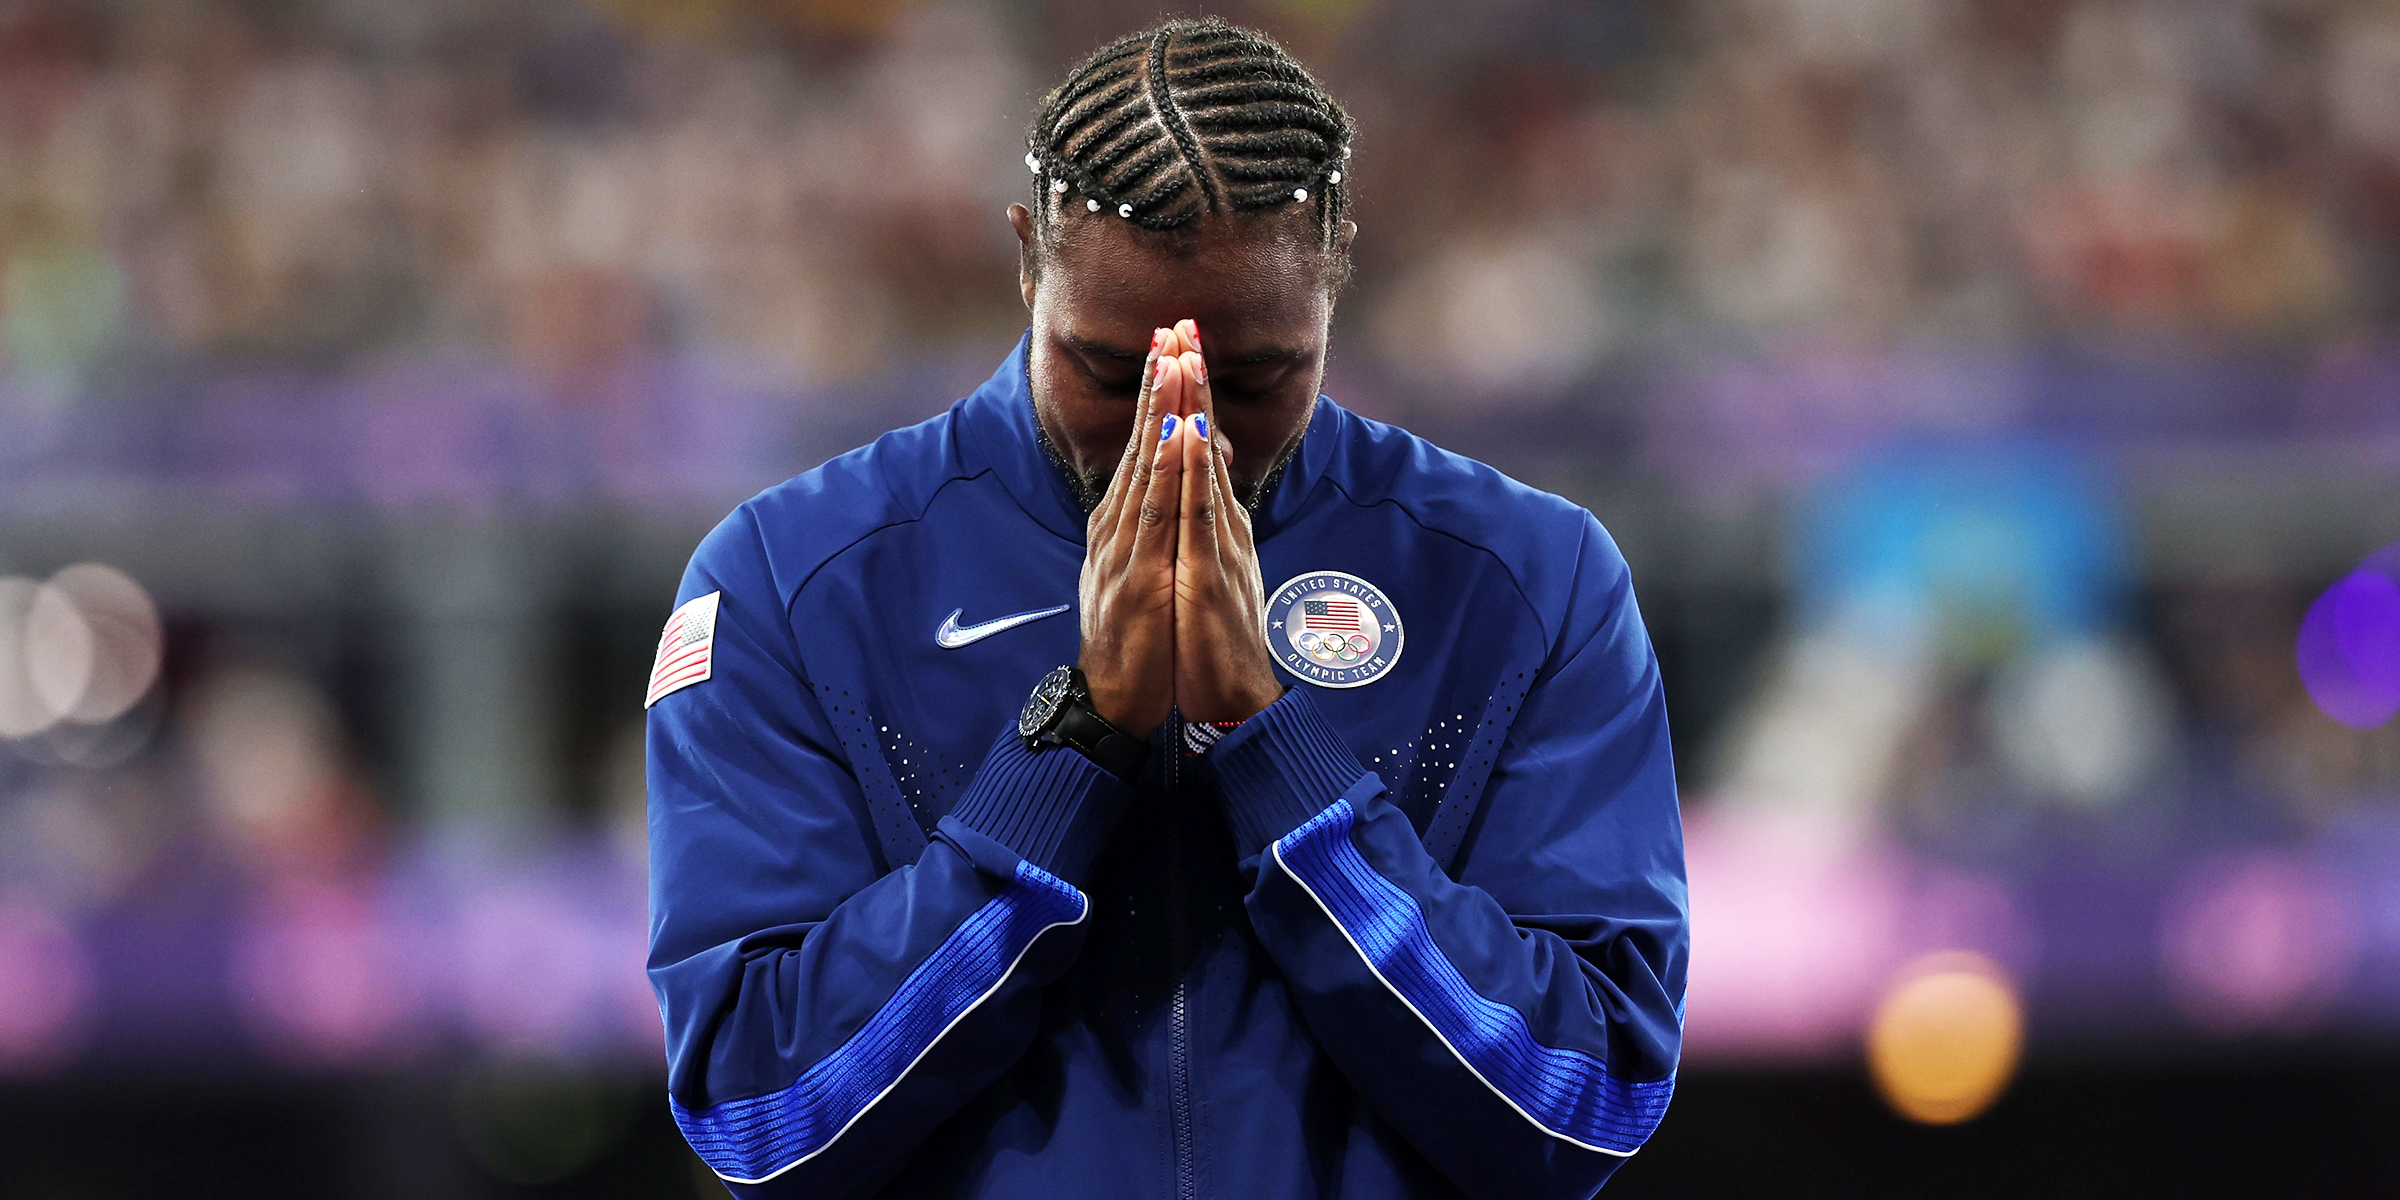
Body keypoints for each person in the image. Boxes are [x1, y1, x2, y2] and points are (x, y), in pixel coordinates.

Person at [645, 18, 1686, 1200]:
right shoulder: (791, 579)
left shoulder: (1530, 579)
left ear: (1337, 261)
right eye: (1104, 371)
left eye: (1253, 379)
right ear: (1027, 257)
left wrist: (1275, 751)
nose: (1179, 431)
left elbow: (1593, 1100)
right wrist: (1077, 740)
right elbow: (755, 1117)